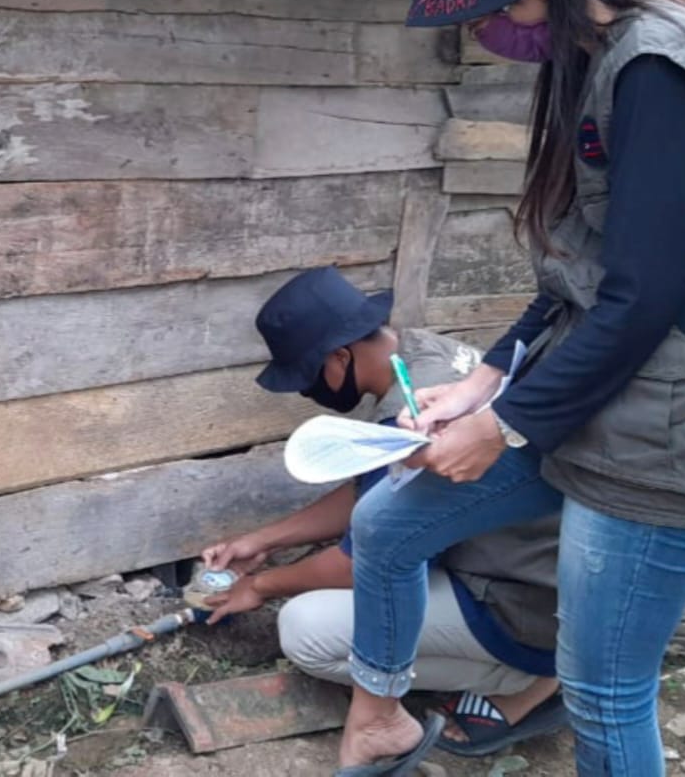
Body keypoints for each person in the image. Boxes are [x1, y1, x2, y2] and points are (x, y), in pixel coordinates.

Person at [335, 0, 685, 776]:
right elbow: (586, 263)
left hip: (661, 428)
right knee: (386, 526)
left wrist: (505, 426)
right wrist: (487, 379)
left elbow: (645, 297)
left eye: (480, 9)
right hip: (592, 399)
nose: (482, 31)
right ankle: (380, 720)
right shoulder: (601, 57)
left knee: (605, 690)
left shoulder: (657, 66)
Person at [200, 267, 566, 759]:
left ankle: (526, 678)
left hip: (514, 604)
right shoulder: (427, 356)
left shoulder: (409, 413)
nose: (309, 392)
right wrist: (265, 540)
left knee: (305, 629)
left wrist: (260, 587)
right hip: (543, 577)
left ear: (339, 357)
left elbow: (364, 560)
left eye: (308, 378)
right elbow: (375, 495)